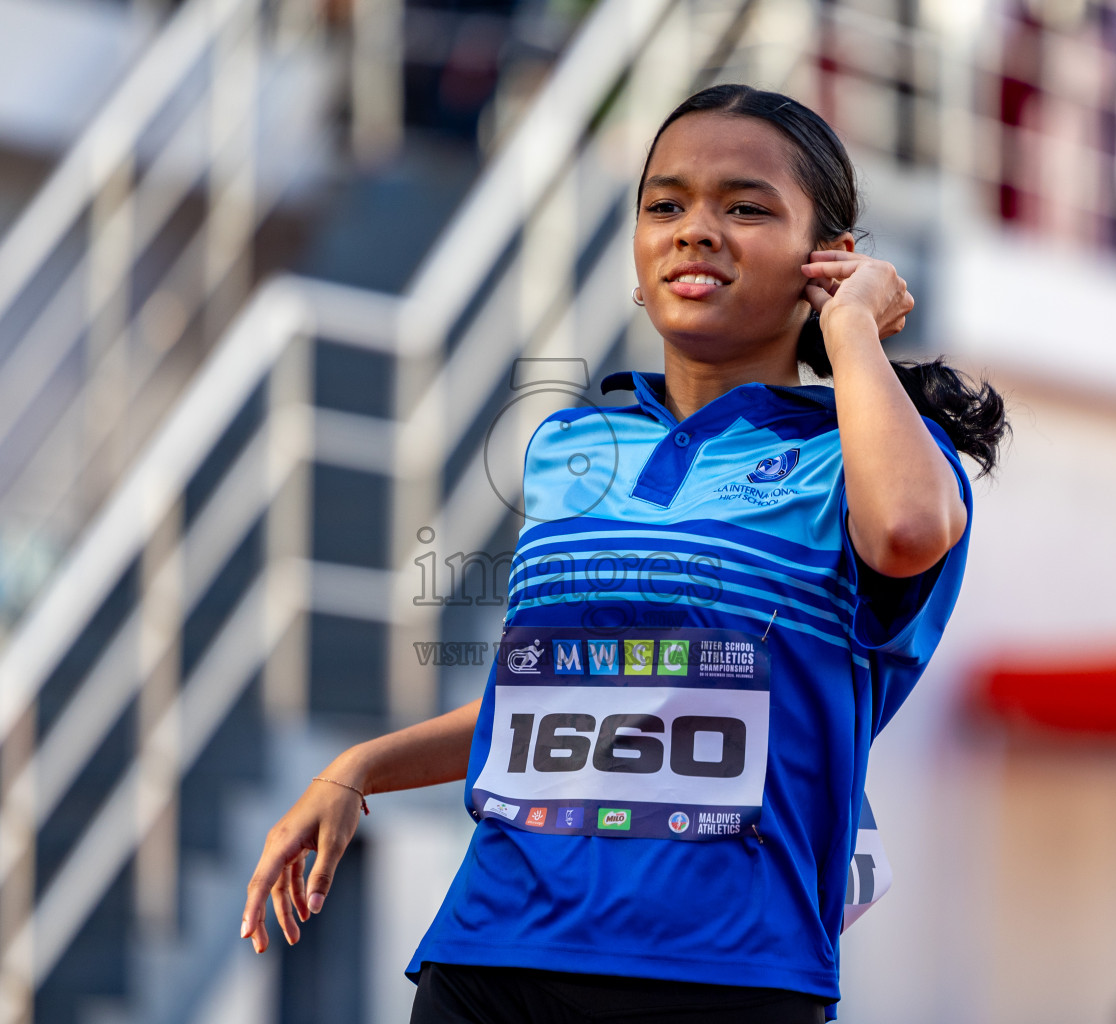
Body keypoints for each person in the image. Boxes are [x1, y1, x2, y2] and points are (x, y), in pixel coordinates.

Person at [241, 83, 1009, 1022]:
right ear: (638, 259)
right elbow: (565, 699)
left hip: (728, 978)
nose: (696, 229)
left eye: (746, 206)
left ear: (831, 261)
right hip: (491, 954)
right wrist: (360, 765)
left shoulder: (860, 461)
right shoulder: (566, 448)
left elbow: (906, 533)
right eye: (666, 204)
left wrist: (850, 331)